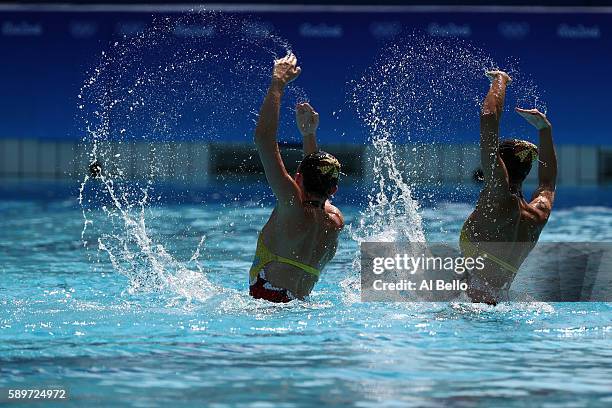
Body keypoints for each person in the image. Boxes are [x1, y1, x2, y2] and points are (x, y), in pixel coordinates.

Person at [249, 53, 344, 302]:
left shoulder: (291, 207)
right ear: (333, 189)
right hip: (301, 307)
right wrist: (308, 135)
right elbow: (315, 187)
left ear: (297, 178)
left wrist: (277, 84)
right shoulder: (334, 220)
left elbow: (264, 140)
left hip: (266, 312)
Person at [460, 70, 557, 304]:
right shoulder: (537, 213)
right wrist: (544, 130)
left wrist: (500, 80)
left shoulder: (498, 196)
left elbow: (488, 119)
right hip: (500, 306)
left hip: (469, 313)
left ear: (498, 164)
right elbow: (547, 182)